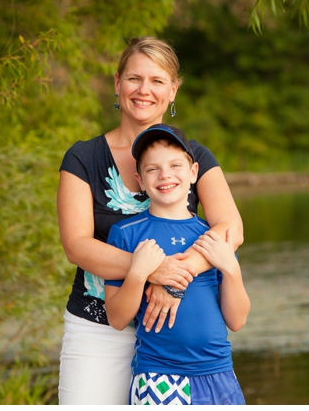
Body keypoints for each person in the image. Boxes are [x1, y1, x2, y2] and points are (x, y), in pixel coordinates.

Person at [57, 36, 243, 404]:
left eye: (157, 81)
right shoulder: (83, 158)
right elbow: (76, 245)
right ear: (117, 83)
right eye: (134, 79)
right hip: (100, 327)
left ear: (173, 90)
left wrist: (175, 278)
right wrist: (148, 270)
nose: (145, 90)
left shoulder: (193, 157)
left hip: (175, 336)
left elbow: (230, 229)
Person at [103, 124, 250, 405]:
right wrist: (138, 272)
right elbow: (117, 318)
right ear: (140, 180)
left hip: (219, 373)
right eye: (152, 169)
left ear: (193, 172)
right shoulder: (127, 234)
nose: (165, 175)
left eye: (175, 165)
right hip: (159, 376)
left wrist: (231, 269)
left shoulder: (211, 235)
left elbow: (237, 320)